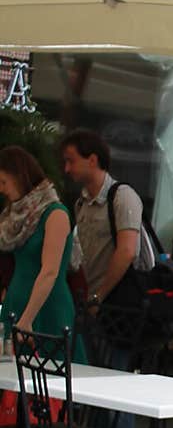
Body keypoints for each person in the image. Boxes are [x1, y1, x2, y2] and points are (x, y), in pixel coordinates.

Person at [61, 129, 144, 428]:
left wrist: (99, 296)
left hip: (118, 304)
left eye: (71, 160)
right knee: (92, 379)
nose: (67, 169)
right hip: (91, 302)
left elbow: (127, 251)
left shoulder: (122, 196)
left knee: (117, 380)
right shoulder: (81, 202)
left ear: (92, 159)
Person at [0, 146, 85, 358]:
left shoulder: (55, 214)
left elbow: (50, 271)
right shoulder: (15, 217)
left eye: (3, 182)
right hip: (17, 303)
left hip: (46, 309)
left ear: (20, 177)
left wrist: (27, 318)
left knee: (48, 381)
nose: (1, 189)